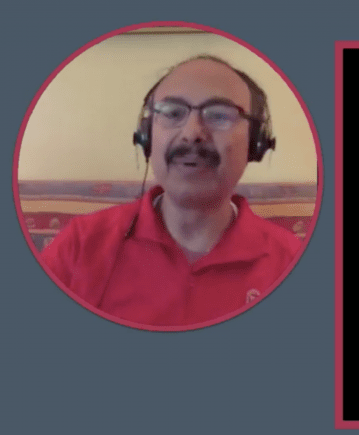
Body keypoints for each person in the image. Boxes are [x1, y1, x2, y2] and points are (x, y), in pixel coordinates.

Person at [40, 55, 301, 328]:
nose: (191, 133)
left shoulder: (290, 261)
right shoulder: (81, 246)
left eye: (219, 115)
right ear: (146, 136)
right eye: (172, 112)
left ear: (255, 143)